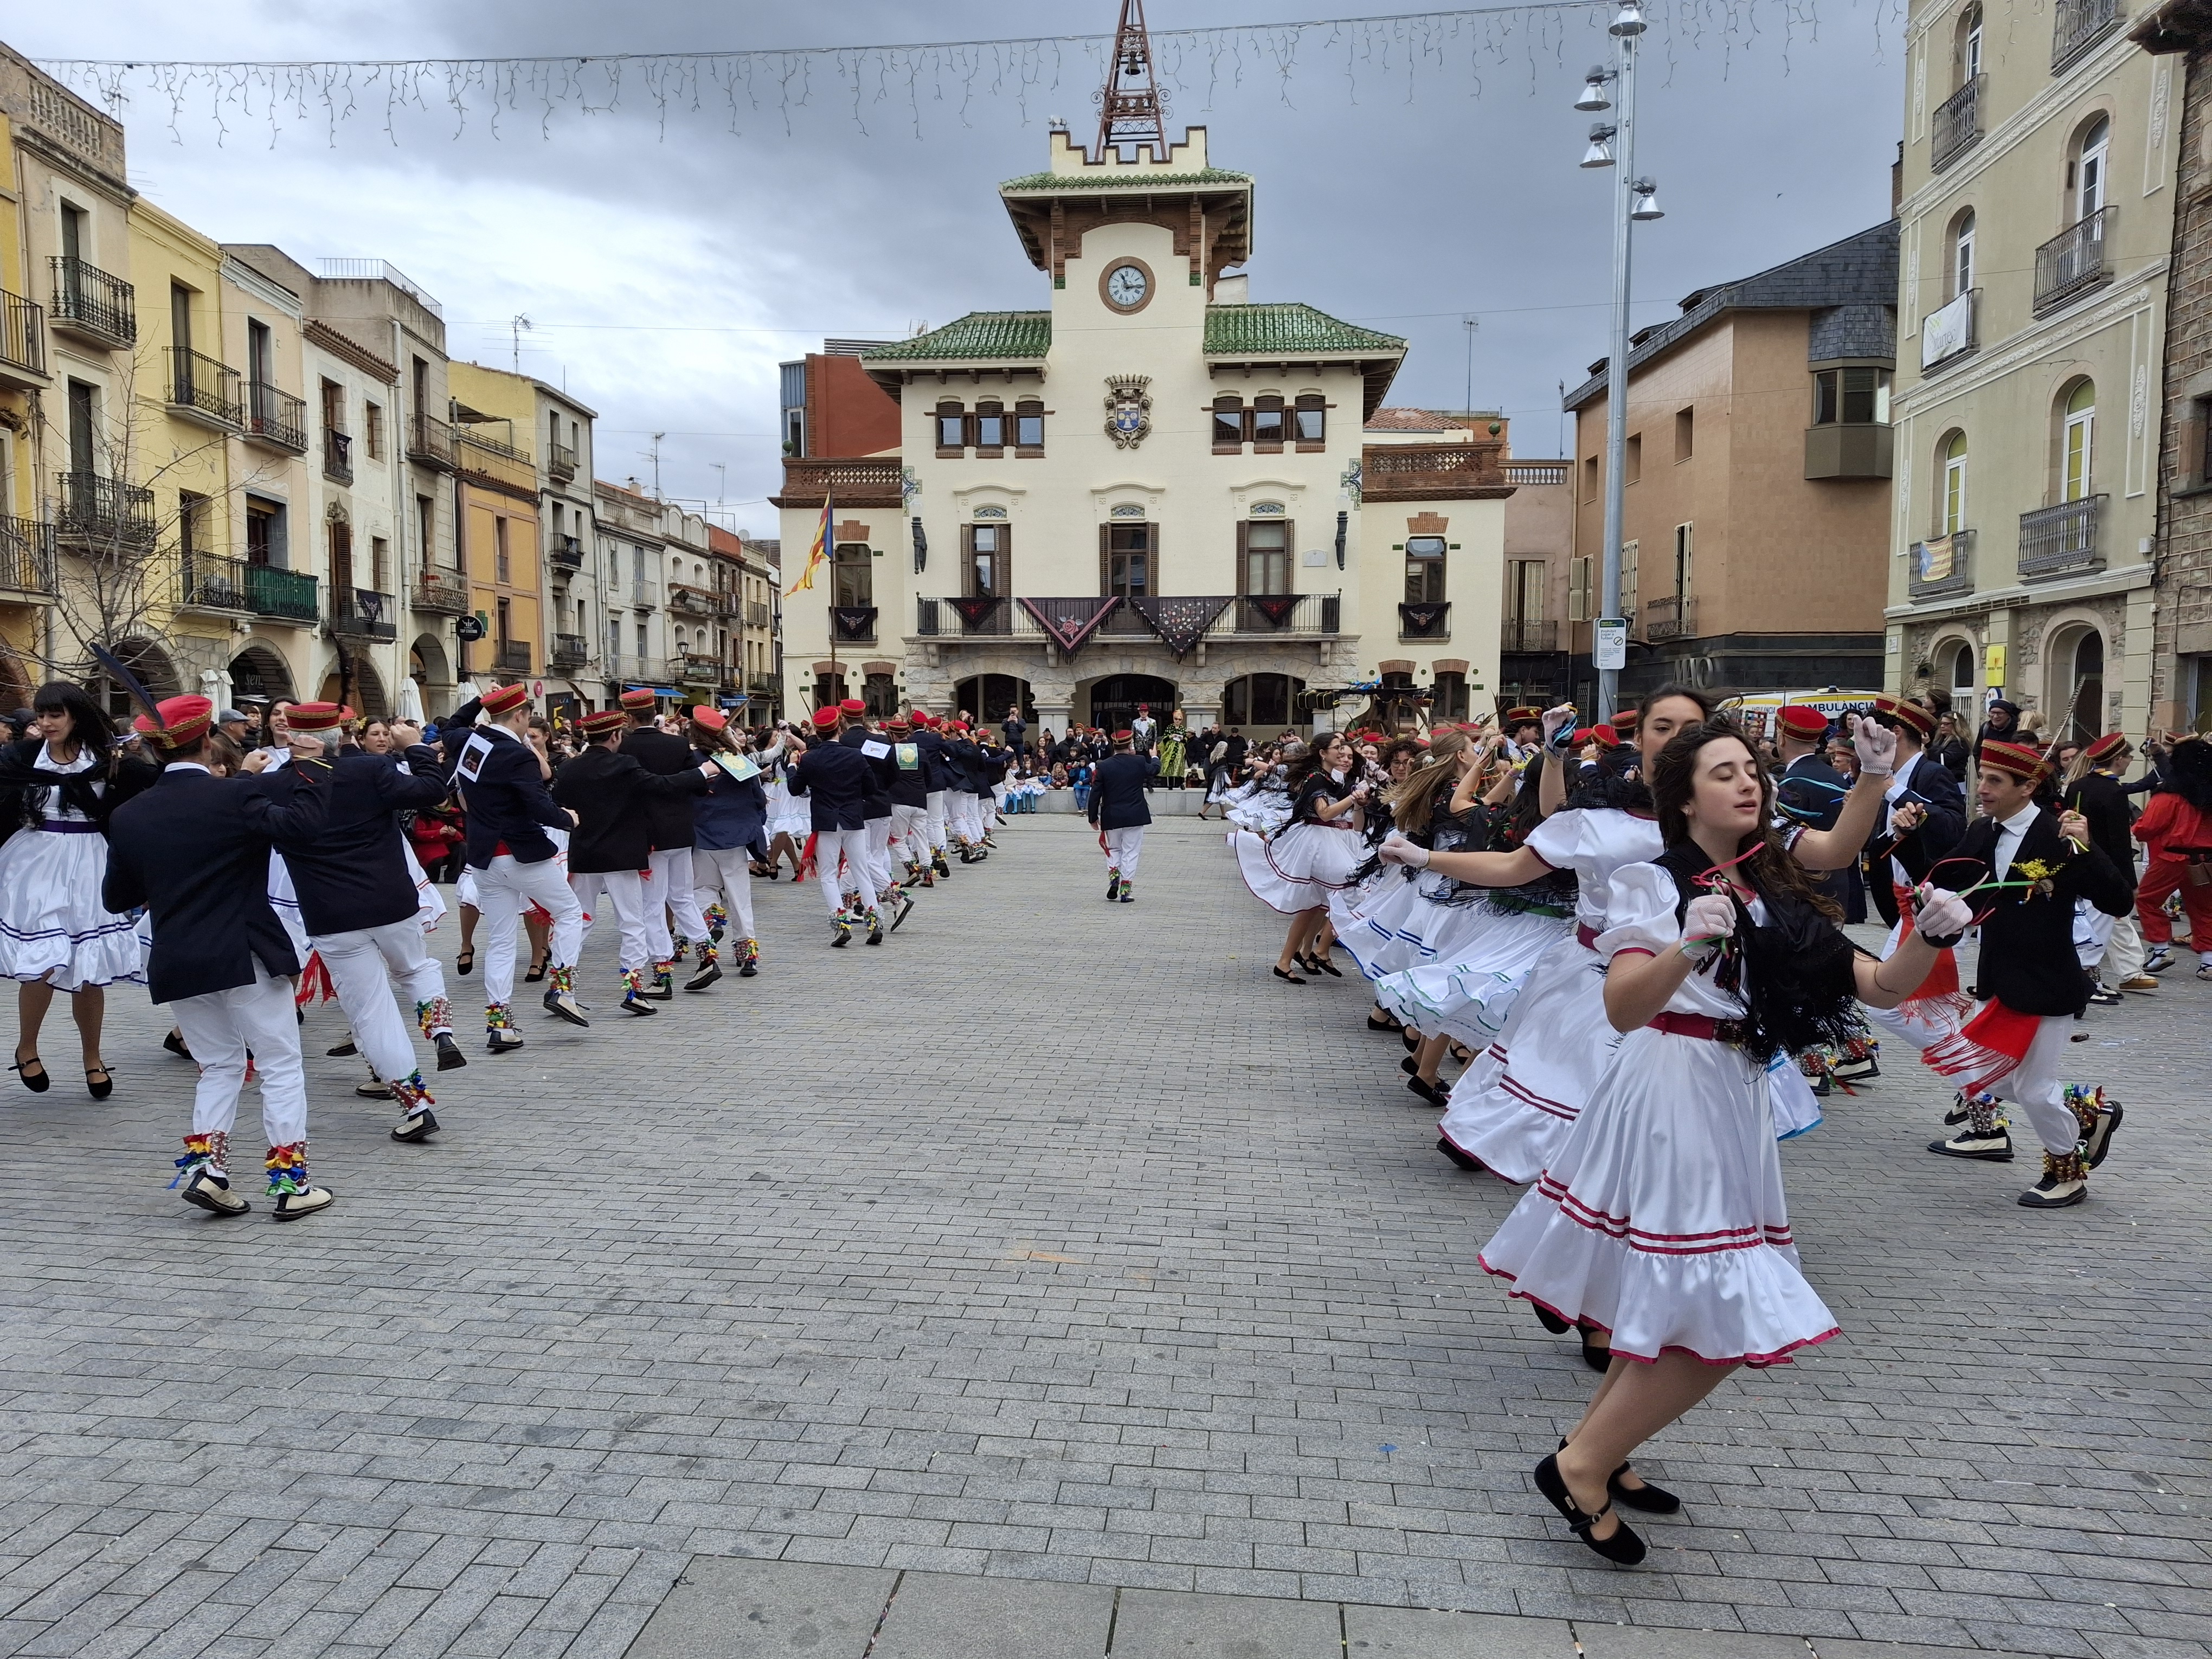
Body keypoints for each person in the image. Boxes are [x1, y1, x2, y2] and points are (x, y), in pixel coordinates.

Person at [1480, 718, 1970, 1564]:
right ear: (1684, 795)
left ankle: (1595, 1456)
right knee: (1720, 1311)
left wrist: (1930, 932)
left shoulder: (1772, 879)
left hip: (1731, 1095)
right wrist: (1686, 946)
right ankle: (1584, 1465)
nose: (1747, 784)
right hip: (1673, 1089)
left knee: (1681, 1303)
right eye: (1724, 773)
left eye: (1752, 770)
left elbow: (1881, 987)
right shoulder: (1653, 878)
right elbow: (1624, 1006)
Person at [103, 695, 339, 1220]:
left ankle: (208, 1171)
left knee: (219, 1065)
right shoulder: (234, 796)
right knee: (279, 1062)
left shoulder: (129, 815)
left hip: (178, 957)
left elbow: (116, 898)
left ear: (153, 749)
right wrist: (316, 764)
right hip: (244, 949)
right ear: (208, 739)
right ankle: (290, 1183)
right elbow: (303, 827)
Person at [1907, 738, 2131, 1206]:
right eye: (1982, 777)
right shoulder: (1984, 830)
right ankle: (2087, 1111)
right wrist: (1911, 845)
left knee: (2032, 1088)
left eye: (1994, 780)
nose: (1983, 788)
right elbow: (1946, 880)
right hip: (1999, 978)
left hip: (2049, 982)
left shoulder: (2059, 835)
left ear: (2028, 785)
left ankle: (2067, 1171)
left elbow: (2119, 901)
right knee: (1982, 1076)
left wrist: (2087, 849)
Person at [259, 703, 465, 1142]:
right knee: (416, 967)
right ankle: (441, 1030)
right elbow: (432, 790)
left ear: (297, 740)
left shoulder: (274, 785)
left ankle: (416, 1105)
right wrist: (417, 748)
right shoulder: (371, 769)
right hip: (391, 901)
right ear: (340, 737)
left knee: (372, 1012)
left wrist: (243, 773)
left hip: (331, 915)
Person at [0, 682, 158, 1097]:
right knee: (44, 959)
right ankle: (27, 1047)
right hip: (37, 862)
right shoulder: (19, 759)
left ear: (76, 716)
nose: (46, 723)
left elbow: (153, 797)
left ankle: (93, 1057)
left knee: (90, 969)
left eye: (56, 715)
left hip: (91, 860)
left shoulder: (110, 761)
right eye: (41, 714)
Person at [450, 682, 588, 1048]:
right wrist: (568, 818)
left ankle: (500, 1023)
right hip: (519, 852)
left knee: (500, 940)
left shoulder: (470, 742)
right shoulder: (516, 754)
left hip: (482, 857)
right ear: (520, 716)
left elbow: (450, 727)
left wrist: (480, 702)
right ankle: (562, 988)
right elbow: (536, 806)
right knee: (570, 912)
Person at [556, 709, 715, 1013]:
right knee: (631, 922)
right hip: (621, 854)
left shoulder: (571, 768)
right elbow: (661, 786)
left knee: (579, 920)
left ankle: (562, 987)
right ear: (616, 735)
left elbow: (559, 802)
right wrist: (701, 773)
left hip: (584, 854)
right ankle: (633, 991)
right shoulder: (624, 766)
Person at [1235, 731, 1370, 981]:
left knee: (1315, 903)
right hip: (1318, 842)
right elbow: (1326, 813)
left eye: (1343, 748)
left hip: (1331, 840)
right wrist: (1352, 798)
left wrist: (1358, 801)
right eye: (1337, 748)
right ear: (1323, 753)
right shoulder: (1317, 778)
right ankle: (1308, 952)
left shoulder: (1328, 777)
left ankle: (1296, 956)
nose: (1342, 752)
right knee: (1346, 887)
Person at [618, 687, 718, 999]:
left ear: (630, 717)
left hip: (649, 836)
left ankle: (662, 973)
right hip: (680, 832)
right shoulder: (677, 744)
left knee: (652, 906)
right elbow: (700, 785)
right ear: (653, 712)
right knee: (683, 897)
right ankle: (707, 955)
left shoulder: (624, 746)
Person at [686, 706, 767, 983]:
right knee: (739, 895)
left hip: (702, 835)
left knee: (703, 888)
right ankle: (747, 953)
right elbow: (758, 796)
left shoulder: (691, 760)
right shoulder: (736, 759)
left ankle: (711, 917)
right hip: (735, 836)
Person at [2063, 734, 2147, 1001]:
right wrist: (2129, 882)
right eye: (2129, 757)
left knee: (2085, 924)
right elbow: (2120, 842)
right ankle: (2085, 981)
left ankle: (2089, 979)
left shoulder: (2077, 786)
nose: (2130, 762)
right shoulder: (2114, 791)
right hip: (2104, 868)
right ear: (2119, 760)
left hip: (2078, 860)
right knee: (2098, 928)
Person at [792, 705, 883, 945]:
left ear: (818, 732)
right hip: (853, 817)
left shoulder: (810, 758)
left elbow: (795, 789)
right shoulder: (855, 755)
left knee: (829, 875)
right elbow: (872, 788)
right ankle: (874, 922)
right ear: (839, 727)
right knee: (861, 870)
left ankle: (841, 922)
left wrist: (793, 767)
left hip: (826, 820)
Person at [2131, 735, 2212, 978]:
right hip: (2207, 860)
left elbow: (2147, 828)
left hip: (2173, 858)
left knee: (2147, 900)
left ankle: (2160, 950)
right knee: (2204, 909)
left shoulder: (2170, 794)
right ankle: (2209, 961)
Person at [1088, 729, 1153, 903]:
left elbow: (1095, 793)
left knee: (1114, 850)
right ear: (1130, 744)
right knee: (1131, 853)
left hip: (1112, 815)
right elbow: (1154, 770)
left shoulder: (1104, 765)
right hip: (1135, 815)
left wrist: (1093, 817)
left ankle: (1114, 879)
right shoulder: (1139, 762)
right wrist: (1154, 757)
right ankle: (1125, 890)